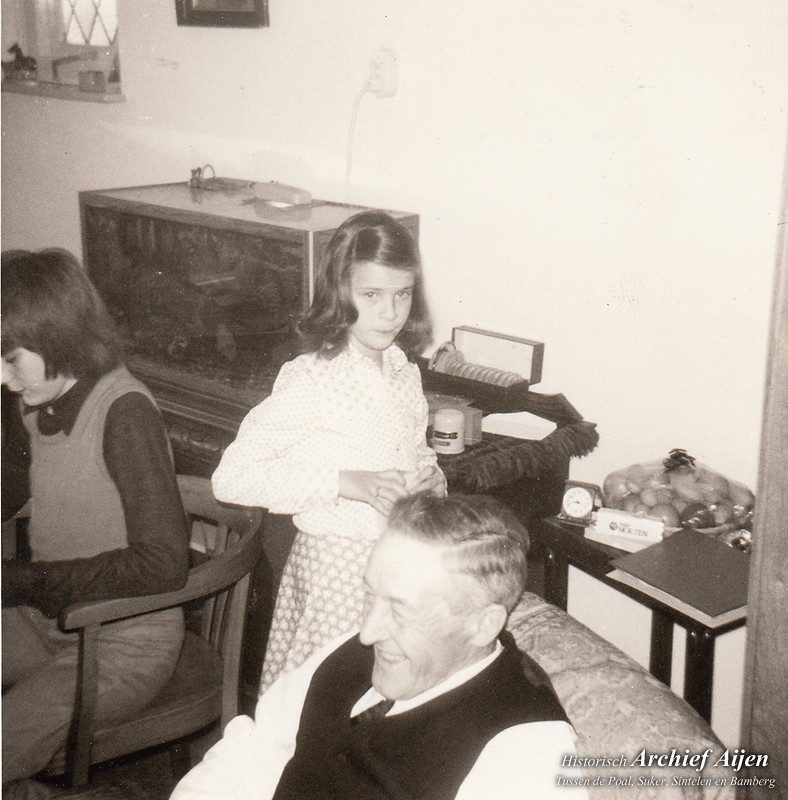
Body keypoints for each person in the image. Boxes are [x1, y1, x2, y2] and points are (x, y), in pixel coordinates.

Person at [171, 491, 587, 800]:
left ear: (482, 625)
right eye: (370, 596)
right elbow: (252, 753)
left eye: (401, 610)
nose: (367, 633)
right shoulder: (348, 652)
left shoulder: (525, 752)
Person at [212, 211, 446, 691]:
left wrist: (432, 478)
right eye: (372, 295)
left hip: (396, 568)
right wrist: (343, 482)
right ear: (341, 292)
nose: (390, 313)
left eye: (402, 294)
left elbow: (417, 452)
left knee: (380, 699)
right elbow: (231, 478)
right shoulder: (313, 378)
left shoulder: (404, 373)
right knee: (326, 699)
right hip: (334, 576)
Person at [1, 249, 190, 791]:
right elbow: (14, 486)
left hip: (124, 642)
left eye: (11, 359)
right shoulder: (34, 400)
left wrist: (23, 582)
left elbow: (164, 564)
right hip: (47, 620)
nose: (3, 378)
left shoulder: (124, 412)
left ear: (55, 335)